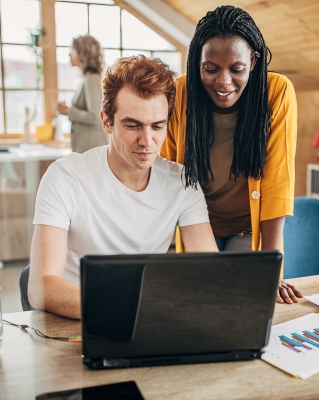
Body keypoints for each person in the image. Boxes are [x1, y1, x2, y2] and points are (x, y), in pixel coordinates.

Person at [29, 56, 218, 319]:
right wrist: (130, 306)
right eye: (133, 125)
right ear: (106, 122)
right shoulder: (65, 177)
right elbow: (40, 288)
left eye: (157, 126)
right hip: (75, 317)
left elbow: (211, 272)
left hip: (144, 317)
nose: (147, 141)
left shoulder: (183, 183)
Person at [160, 5, 302, 305]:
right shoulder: (182, 92)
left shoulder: (276, 92)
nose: (223, 83)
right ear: (197, 60)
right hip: (198, 224)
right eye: (210, 68)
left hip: (246, 228)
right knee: (204, 301)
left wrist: (270, 266)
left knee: (246, 298)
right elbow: (166, 173)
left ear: (253, 61)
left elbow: (277, 182)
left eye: (236, 69)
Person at [55, 35, 108, 153]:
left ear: (83, 54)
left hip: (92, 150)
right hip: (87, 149)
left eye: (72, 51)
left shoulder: (92, 80)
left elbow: (96, 117)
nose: (69, 55)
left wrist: (67, 111)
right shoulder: (86, 79)